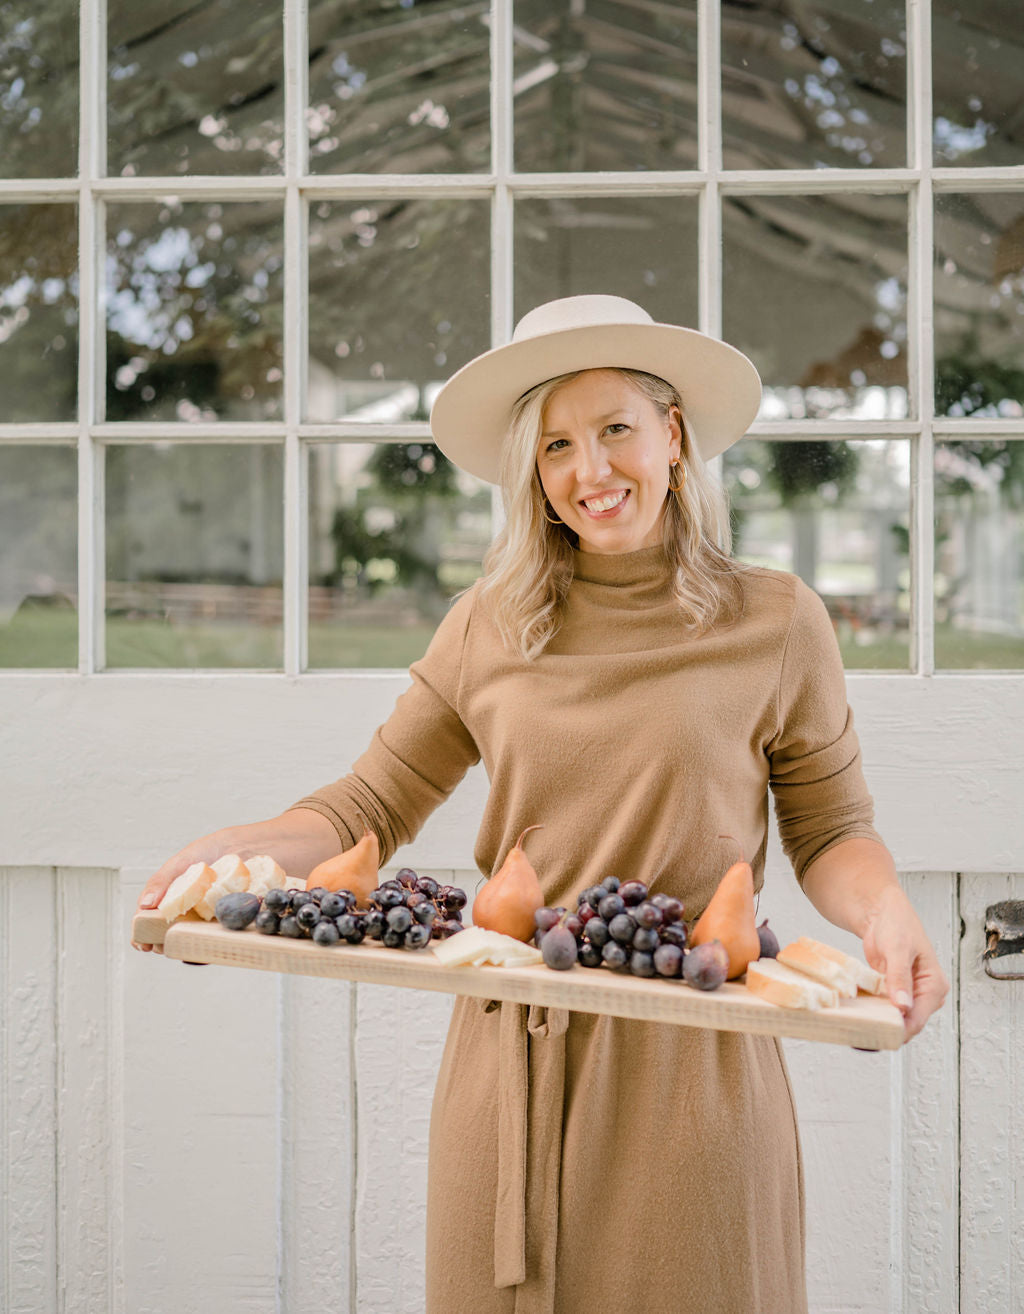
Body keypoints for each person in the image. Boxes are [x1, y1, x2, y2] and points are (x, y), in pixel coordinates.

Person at [135, 294, 948, 1313]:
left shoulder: (776, 620)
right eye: (556, 444)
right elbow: (369, 806)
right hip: (508, 1064)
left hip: (692, 1075)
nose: (590, 470)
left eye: (615, 429)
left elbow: (831, 832)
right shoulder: (490, 623)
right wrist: (232, 854)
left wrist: (886, 912)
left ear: (673, 434)